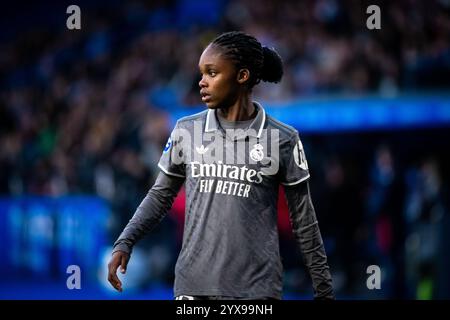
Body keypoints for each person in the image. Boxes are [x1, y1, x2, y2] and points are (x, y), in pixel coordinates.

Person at [107, 31, 335, 300]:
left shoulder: (282, 139)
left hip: (256, 291)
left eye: (212, 73)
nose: (202, 82)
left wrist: (323, 288)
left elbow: (304, 220)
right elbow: (160, 195)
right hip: (193, 287)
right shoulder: (186, 131)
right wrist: (126, 240)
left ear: (242, 76)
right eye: (202, 73)